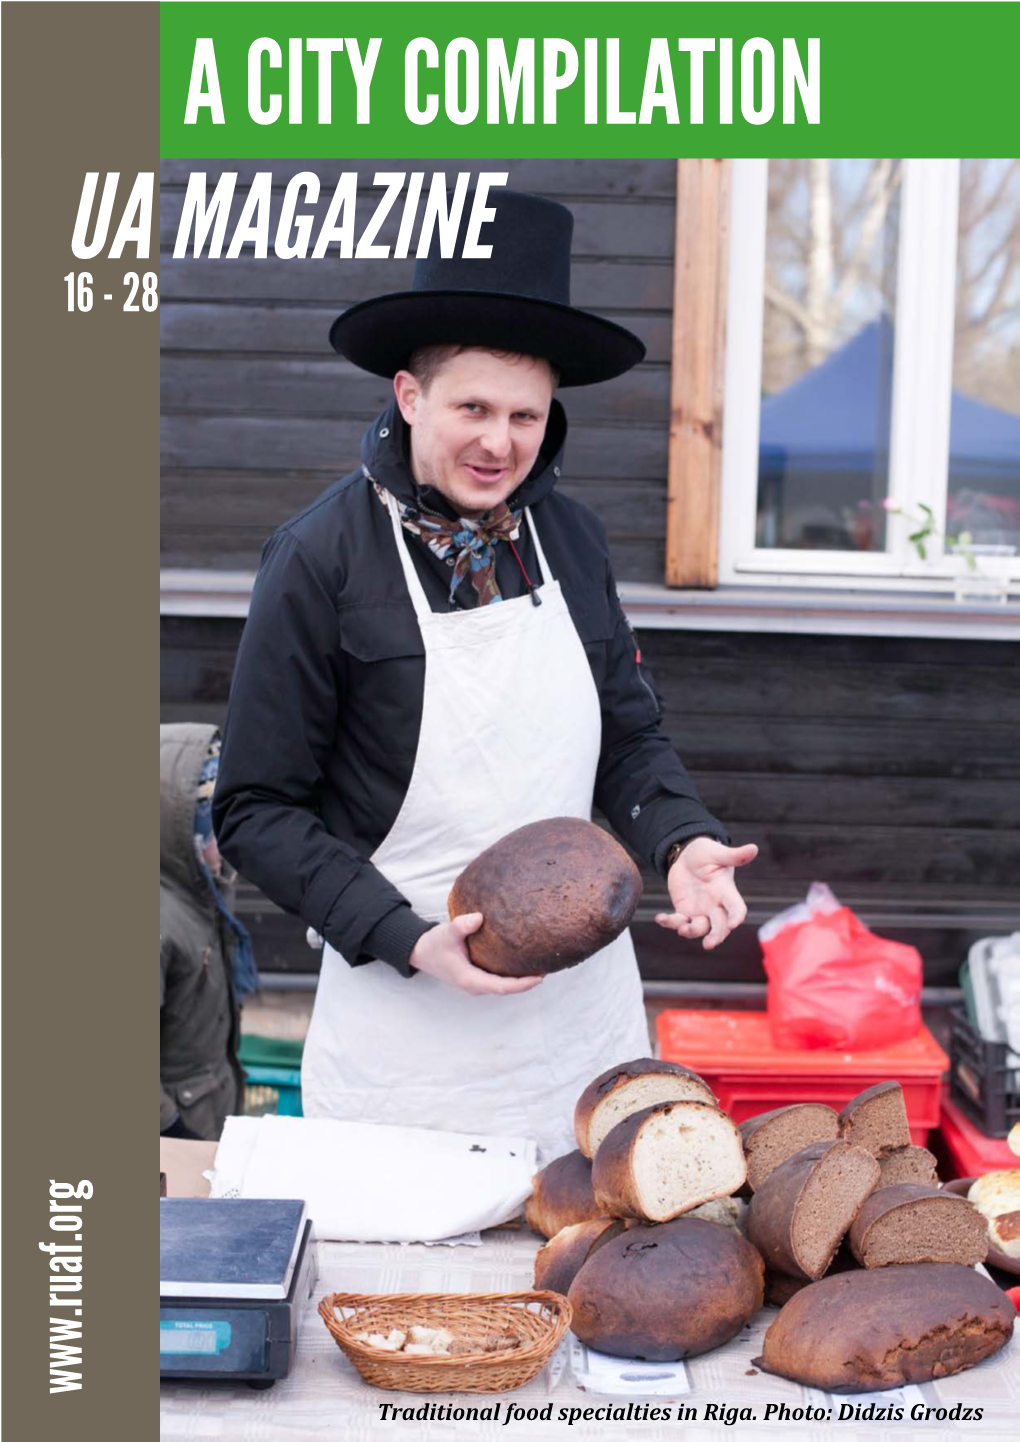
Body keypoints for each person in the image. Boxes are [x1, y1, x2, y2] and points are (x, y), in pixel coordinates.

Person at [214, 189, 756, 1160]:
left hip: (578, 1036)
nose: (498, 442)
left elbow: (625, 733)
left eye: (525, 414)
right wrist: (406, 934)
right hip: (405, 1030)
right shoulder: (321, 559)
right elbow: (256, 807)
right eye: (472, 406)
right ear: (409, 394)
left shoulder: (572, 540)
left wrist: (679, 838)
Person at [160, 723, 258, 1140]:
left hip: (207, 1116)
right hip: (175, 1144)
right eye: (217, 822)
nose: (230, 839)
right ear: (185, 827)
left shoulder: (200, 893)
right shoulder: (161, 921)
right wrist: (172, 1129)